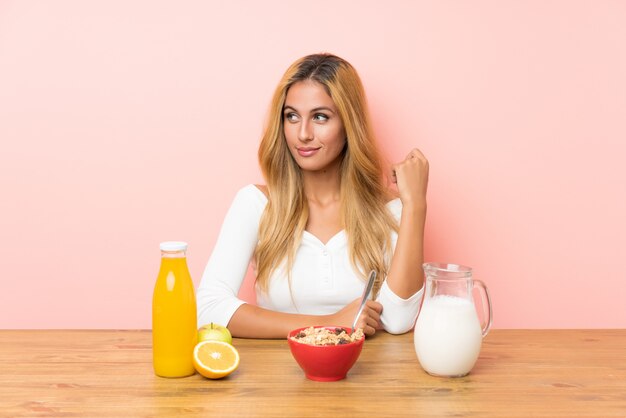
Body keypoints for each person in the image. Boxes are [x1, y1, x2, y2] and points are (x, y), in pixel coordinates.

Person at [197, 53, 429, 338]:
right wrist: (328, 322)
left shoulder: (390, 211)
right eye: (291, 116)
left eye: (320, 117)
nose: (303, 133)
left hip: (363, 377)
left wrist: (415, 204)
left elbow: (398, 320)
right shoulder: (255, 204)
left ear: (349, 124)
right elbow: (208, 309)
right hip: (275, 379)